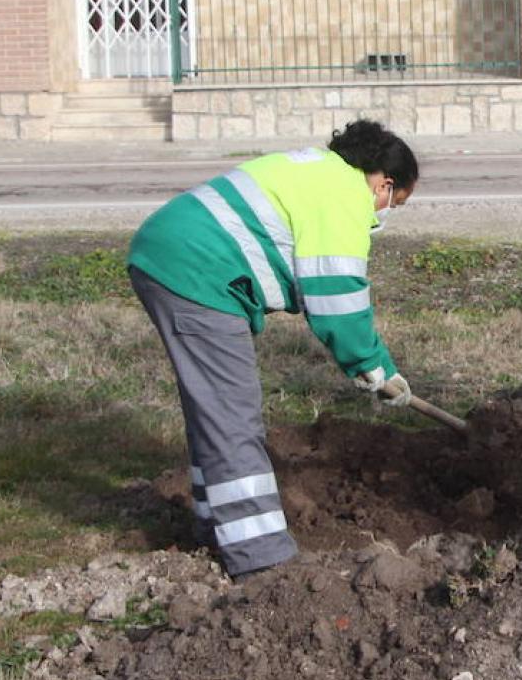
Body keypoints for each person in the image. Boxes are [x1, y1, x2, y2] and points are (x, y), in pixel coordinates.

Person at [126, 119, 418, 578]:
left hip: (171, 255)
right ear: (384, 182)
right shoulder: (344, 194)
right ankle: (262, 562)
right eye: (393, 202)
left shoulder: (317, 170)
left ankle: (213, 525)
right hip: (197, 271)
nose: (383, 213)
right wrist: (374, 368)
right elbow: (337, 299)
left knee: (215, 407)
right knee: (233, 414)